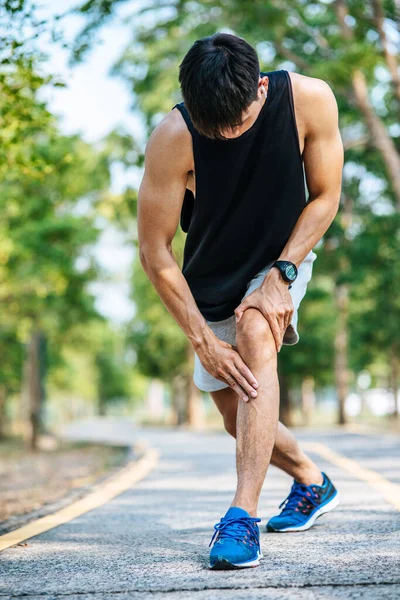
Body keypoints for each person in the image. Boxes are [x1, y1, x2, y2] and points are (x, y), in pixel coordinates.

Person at [138, 32, 344, 570]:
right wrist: (202, 340)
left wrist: (282, 273)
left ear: (259, 87)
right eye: (215, 128)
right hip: (208, 279)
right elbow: (155, 251)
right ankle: (312, 482)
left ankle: (241, 518)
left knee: (256, 328)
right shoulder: (172, 137)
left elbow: (325, 196)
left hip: (283, 255)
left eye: (238, 121)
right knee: (241, 418)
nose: (226, 134)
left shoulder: (310, 99)